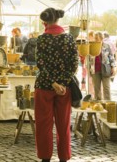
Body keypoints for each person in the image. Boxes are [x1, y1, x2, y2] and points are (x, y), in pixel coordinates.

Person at [34, 8, 78, 162]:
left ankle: (45, 158)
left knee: (43, 124)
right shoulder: (69, 38)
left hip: (44, 86)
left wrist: (53, 83)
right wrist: (62, 84)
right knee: (63, 125)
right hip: (64, 89)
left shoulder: (41, 39)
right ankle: (64, 158)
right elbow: (74, 64)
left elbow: (40, 64)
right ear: (58, 20)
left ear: (44, 22)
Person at [89, 31, 116, 100]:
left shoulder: (106, 46)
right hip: (95, 69)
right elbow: (89, 58)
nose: (95, 39)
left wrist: (113, 67)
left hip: (106, 69)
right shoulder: (91, 45)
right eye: (95, 38)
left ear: (101, 38)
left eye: (97, 38)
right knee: (96, 88)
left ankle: (108, 104)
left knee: (106, 88)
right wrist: (89, 68)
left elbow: (111, 57)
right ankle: (98, 105)